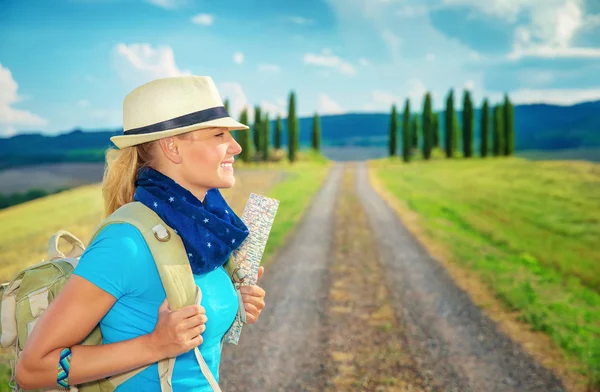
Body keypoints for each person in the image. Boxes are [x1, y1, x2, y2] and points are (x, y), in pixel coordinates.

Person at [15, 76, 267, 391]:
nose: (236, 146)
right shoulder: (124, 243)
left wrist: (234, 304)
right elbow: (33, 369)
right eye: (219, 134)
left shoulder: (207, 234)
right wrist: (155, 345)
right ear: (173, 147)